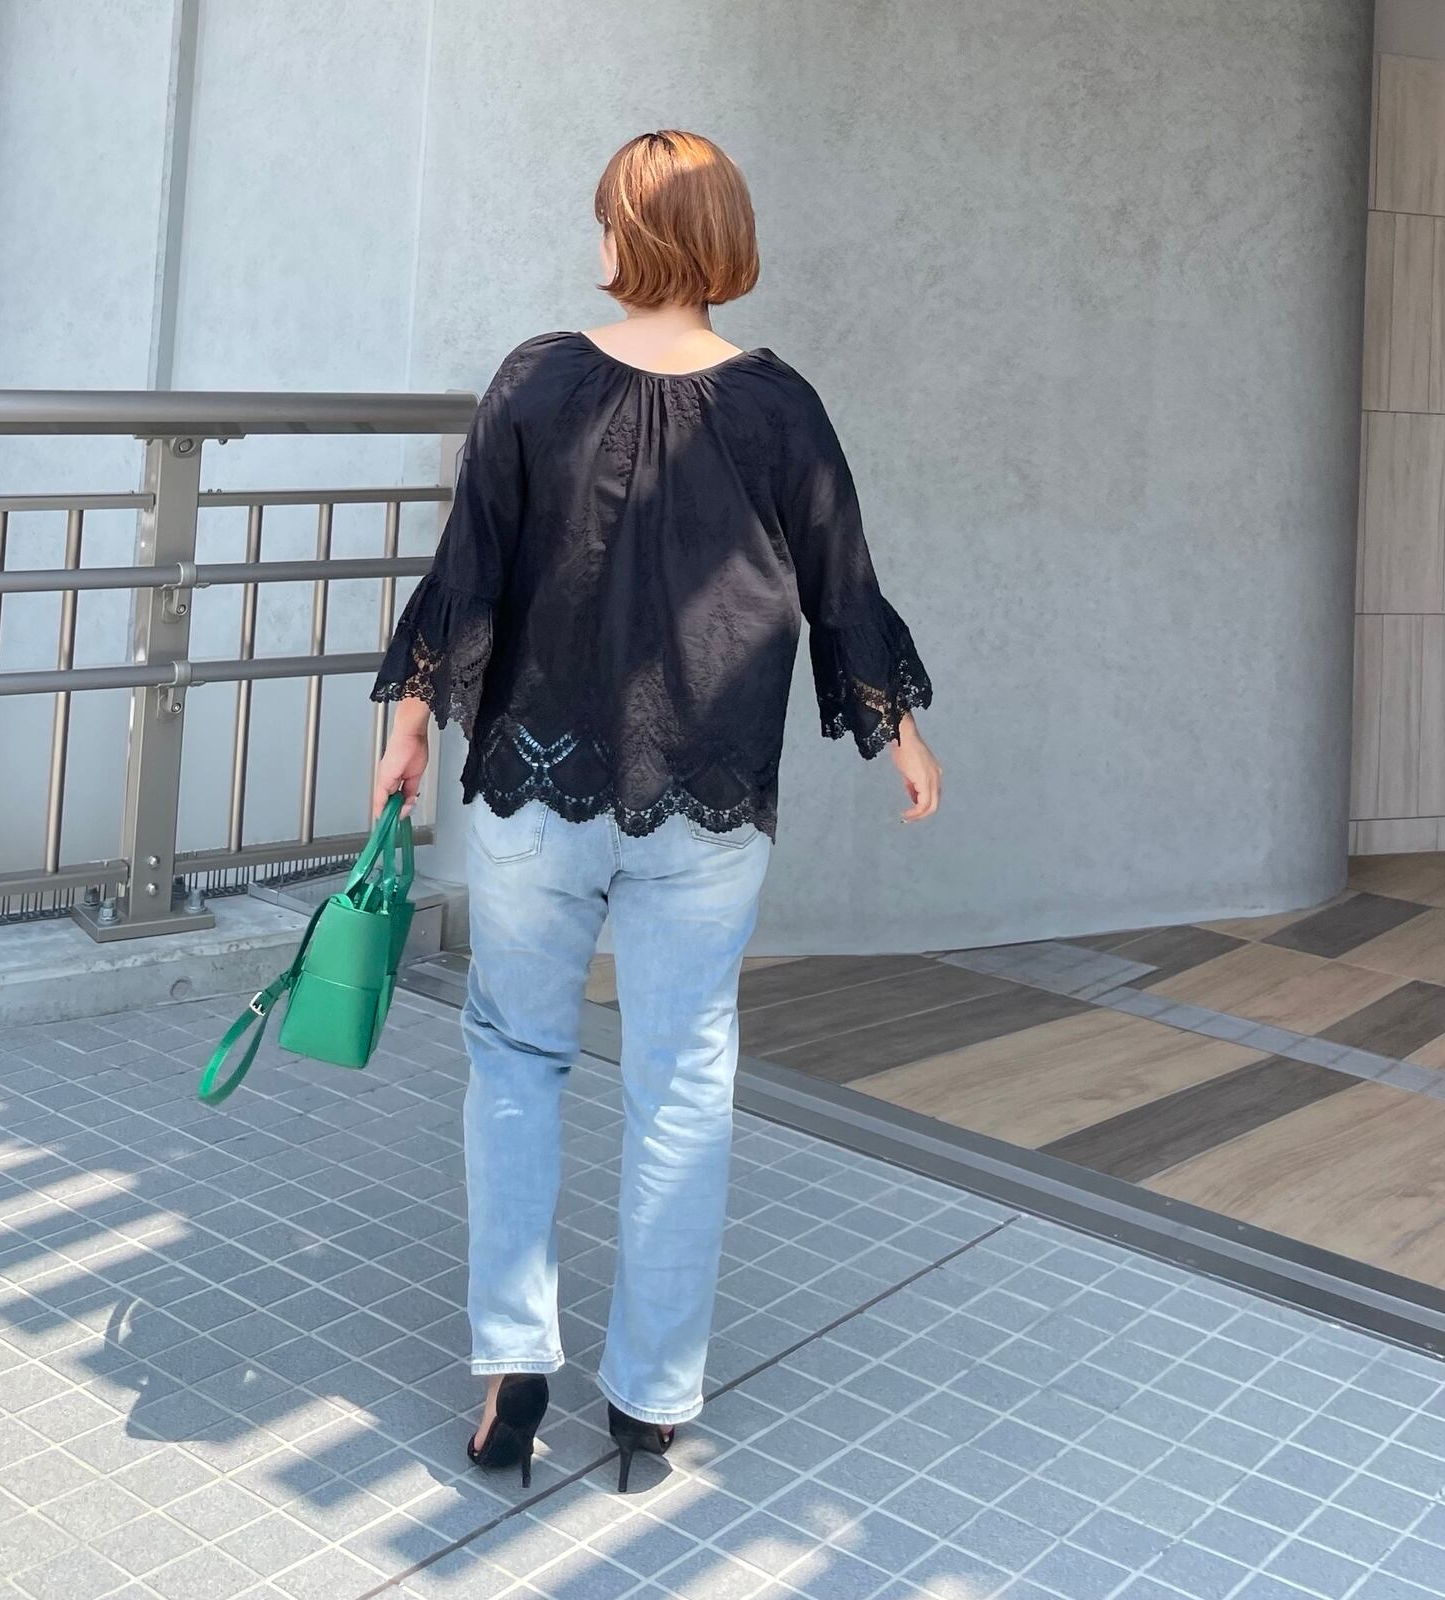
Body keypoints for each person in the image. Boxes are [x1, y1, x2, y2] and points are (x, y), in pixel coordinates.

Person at [371, 129, 940, 1493]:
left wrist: (407, 723)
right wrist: (900, 733)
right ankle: (651, 1404)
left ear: (633, 237)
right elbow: (842, 585)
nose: (598, 239)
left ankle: (514, 1372)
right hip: (709, 796)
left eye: (606, 218)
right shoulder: (780, 406)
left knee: (517, 1060)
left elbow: (469, 567)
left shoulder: (535, 378)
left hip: (535, 779)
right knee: (684, 1080)